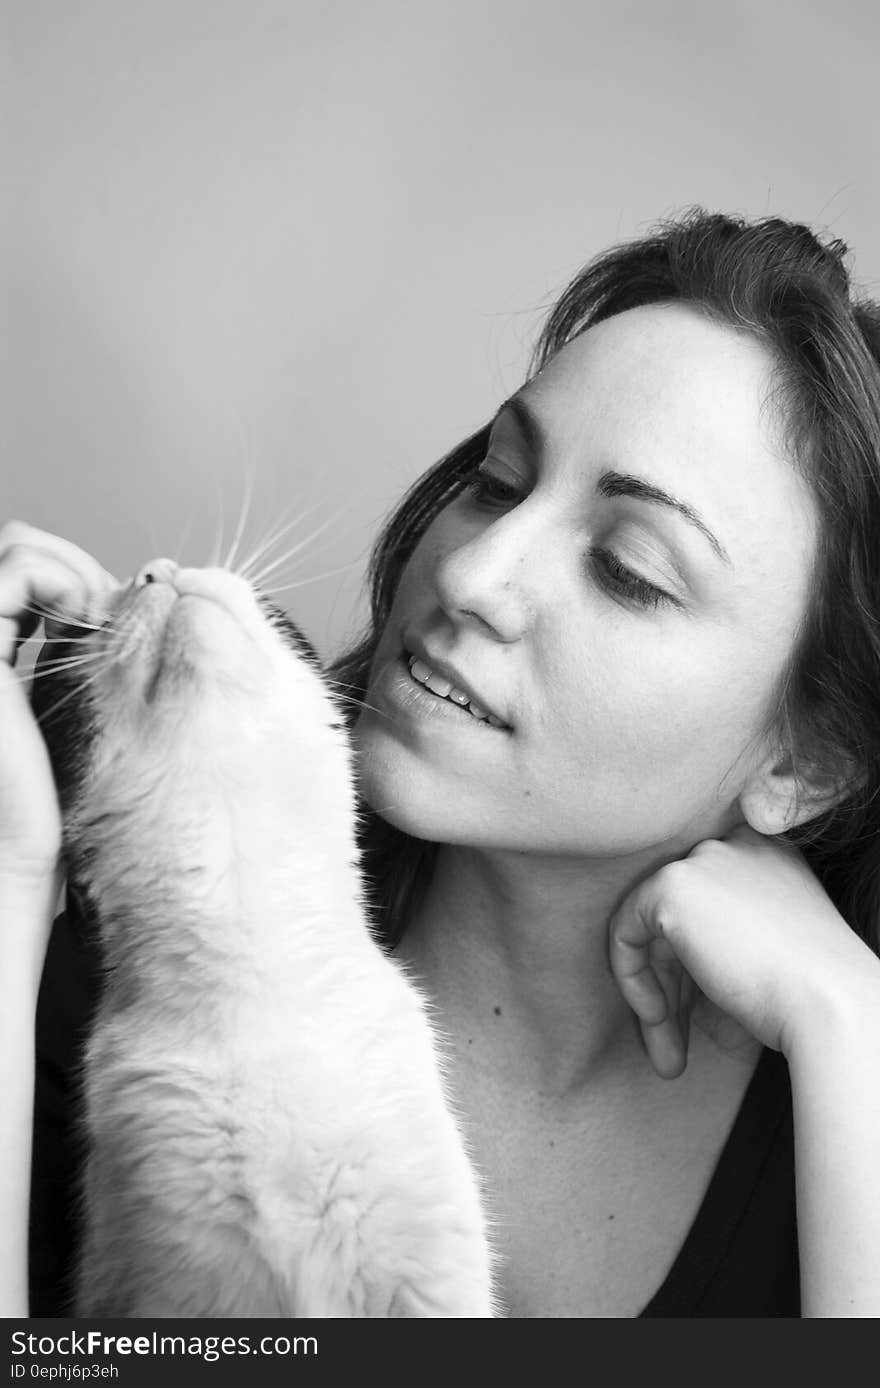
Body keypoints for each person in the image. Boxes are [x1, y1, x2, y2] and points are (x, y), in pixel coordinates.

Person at [5, 208, 880, 1318]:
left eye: (625, 569)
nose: (472, 571)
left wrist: (850, 1019)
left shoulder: (836, 1080)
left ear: (807, 762)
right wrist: (10, 875)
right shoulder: (154, 867)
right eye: (500, 478)